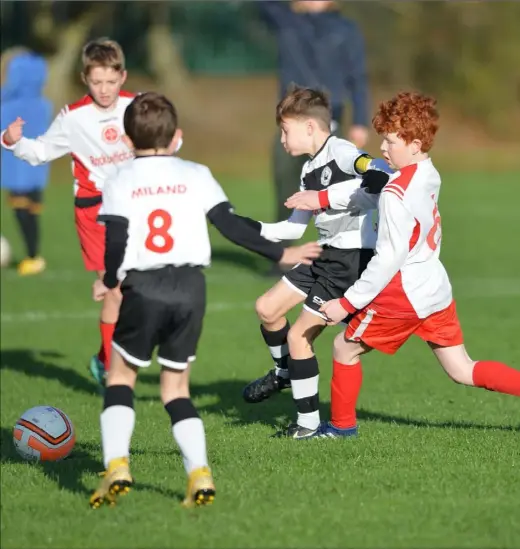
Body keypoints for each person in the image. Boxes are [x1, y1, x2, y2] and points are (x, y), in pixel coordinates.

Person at [88, 92, 321, 509]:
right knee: (176, 388)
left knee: (120, 378)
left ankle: (117, 465)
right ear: (176, 137)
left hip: (146, 285)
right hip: (191, 289)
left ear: (127, 140)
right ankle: (198, 472)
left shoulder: (120, 179)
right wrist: (281, 254)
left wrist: (109, 280)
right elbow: (230, 226)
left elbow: (117, 239)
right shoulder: (196, 173)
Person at [291, 91, 520, 438]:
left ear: (414, 144)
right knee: (462, 369)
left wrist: (348, 303)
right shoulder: (428, 172)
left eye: (390, 140)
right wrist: (335, 193)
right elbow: (378, 183)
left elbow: (387, 260)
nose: (382, 148)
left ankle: (340, 428)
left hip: (403, 292)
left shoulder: (396, 194)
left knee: (343, 347)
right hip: (434, 287)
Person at [241, 85, 392, 439]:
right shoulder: (308, 169)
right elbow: (290, 227)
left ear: (310, 126)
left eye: (285, 130)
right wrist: (242, 225)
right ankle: (283, 373)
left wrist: (323, 196)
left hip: (351, 259)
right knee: (267, 308)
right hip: (324, 254)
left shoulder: (340, 151)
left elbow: (380, 173)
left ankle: (308, 425)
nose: (281, 139)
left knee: (298, 337)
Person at [1, 38, 138, 385]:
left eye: (110, 81)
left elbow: (165, 141)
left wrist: (172, 141)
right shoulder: (73, 117)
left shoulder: (138, 107)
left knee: (137, 292)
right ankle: (110, 368)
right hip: (95, 214)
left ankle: (107, 355)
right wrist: (15, 141)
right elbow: (41, 152)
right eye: (96, 82)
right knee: (115, 291)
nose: (104, 90)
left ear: (122, 76)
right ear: (84, 79)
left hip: (137, 208)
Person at [257, 0, 370, 268]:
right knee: (286, 189)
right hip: (291, 121)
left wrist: (361, 121)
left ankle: (342, 257)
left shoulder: (345, 29)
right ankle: (283, 258)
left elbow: (358, 77)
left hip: (329, 121)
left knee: (336, 194)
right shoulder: (286, 20)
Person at [0, 48, 52, 275]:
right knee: (33, 204)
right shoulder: (44, 105)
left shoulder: (6, 105)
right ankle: (34, 255)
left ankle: (33, 256)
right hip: (38, 161)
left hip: (15, 161)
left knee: (19, 201)